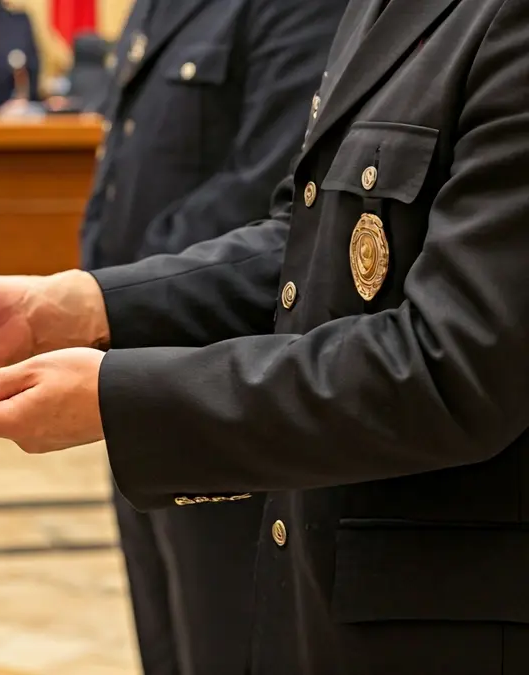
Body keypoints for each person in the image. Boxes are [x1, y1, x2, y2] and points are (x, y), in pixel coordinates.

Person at [0, 0, 529, 672]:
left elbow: (453, 363)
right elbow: (304, 247)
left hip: (449, 619)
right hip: (323, 592)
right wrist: (66, 306)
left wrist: (122, 396)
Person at [80, 1, 347, 672]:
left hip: (219, 362)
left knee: (222, 628)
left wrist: (119, 291)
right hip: (131, 359)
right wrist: (94, 293)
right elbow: (121, 159)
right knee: (162, 625)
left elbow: (269, 185)